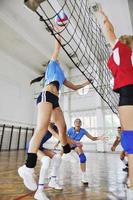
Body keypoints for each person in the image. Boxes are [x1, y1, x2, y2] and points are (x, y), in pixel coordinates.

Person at [18, 25, 91, 191]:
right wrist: (58, 31)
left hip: (55, 100)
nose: (57, 58)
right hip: (45, 96)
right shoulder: (52, 63)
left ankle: (66, 151)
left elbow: (73, 86)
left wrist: (87, 83)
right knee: (43, 127)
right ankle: (27, 168)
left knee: (63, 127)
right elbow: (57, 46)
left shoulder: (62, 75)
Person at [99, 6, 133, 196]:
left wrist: (105, 18)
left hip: (128, 91)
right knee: (130, 138)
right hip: (127, 90)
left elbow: (109, 31)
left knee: (130, 139)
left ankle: (132, 186)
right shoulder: (122, 54)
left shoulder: (120, 48)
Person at [34, 122, 82, 200]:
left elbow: (64, 136)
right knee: (46, 160)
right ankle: (39, 191)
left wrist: (76, 142)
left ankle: (52, 181)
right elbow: (57, 136)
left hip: (40, 147)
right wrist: (66, 145)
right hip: (33, 147)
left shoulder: (55, 127)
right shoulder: (47, 124)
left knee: (58, 157)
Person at [67, 118, 106, 184]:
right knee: (58, 157)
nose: (78, 122)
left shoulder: (83, 131)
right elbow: (63, 137)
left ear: (81, 124)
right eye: (76, 121)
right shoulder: (70, 130)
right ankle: (53, 174)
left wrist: (99, 138)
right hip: (67, 145)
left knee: (83, 158)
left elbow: (92, 138)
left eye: (79, 122)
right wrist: (58, 144)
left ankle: (83, 176)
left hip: (76, 146)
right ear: (74, 124)